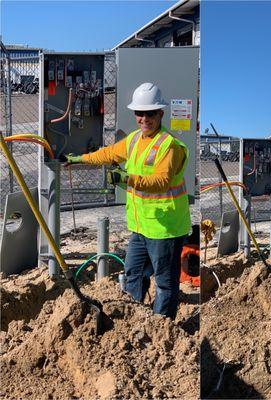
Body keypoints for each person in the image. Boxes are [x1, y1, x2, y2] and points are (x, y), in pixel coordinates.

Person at [65, 82, 191, 319]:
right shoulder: (135, 140)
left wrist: (127, 178)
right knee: (133, 275)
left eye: (150, 113)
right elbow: (109, 153)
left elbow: (161, 181)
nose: (144, 118)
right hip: (141, 227)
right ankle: (133, 322)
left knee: (164, 284)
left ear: (160, 113)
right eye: (139, 113)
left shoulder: (170, 146)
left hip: (165, 229)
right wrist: (79, 158)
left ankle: (162, 329)